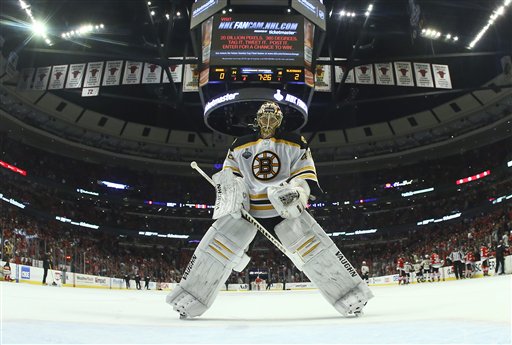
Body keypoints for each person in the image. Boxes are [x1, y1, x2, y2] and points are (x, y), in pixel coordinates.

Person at [166, 101, 373, 318]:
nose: (267, 122)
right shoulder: (239, 144)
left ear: (281, 120)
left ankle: (350, 295)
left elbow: (304, 176)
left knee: (315, 251)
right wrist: (232, 198)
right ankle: (189, 298)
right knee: (217, 250)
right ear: (256, 119)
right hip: (247, 210)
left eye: (273, 117)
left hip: (283, 209)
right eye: (263, 117)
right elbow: (229, 178)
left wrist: (297, 195)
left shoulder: (295, 142)